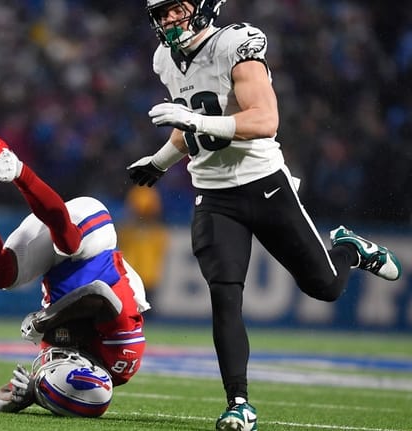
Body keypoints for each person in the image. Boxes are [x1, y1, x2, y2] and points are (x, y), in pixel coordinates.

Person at [128, 1, 403, 430]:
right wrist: (161, 161)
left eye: (175, 9)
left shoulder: (235, 44)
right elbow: (194, 120)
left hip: (263, 183)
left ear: (201, 6)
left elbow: (264, 120)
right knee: (224, 294)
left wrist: (191, 119)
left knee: (326, 286)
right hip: (214, 194)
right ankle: (238, 402)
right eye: (160, 13)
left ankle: (348, 249)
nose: (167, 21)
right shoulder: (166, 58)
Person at [0, 134, 151, 417]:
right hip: (91, 238)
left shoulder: (62, 366)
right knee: (69, 244)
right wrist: (43, 320)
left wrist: (30, 394)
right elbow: (98, 293)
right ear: (83, 363)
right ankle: (18, 170)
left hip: (55, 252)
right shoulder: (122, 355)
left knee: (2, 275)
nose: (49, 359)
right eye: (55, 367)